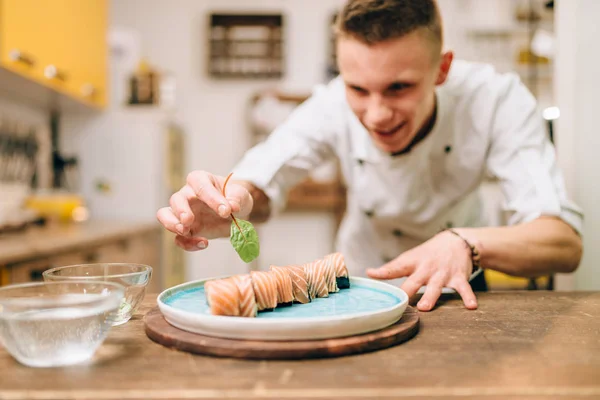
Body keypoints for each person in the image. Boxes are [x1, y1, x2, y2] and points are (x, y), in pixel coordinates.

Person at [156, 0, 583, 312]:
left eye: (399, 88)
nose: (377, 115)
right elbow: (266, 176)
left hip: (458, 285)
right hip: (357, 286)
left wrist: (466, 243)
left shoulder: (495, 99)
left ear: (442, 69)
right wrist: (235, 203)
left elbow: (563, 243)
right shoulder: (330, 104)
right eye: (358, 89)